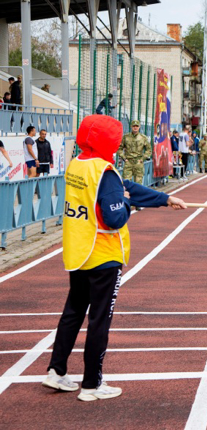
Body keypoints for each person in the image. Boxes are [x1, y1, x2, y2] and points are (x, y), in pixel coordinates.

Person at [42, 114, 187, 401]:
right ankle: (92, 385)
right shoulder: (106, 171)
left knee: (72, 313)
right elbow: (114, 216)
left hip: (79, 251)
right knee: (99, 320)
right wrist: (128, 206)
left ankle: (56, 371)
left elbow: (126, 188)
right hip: (103, 256)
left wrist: (164, 199)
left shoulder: (78, 164)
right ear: (109, 140)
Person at [117, 120, 151, 184]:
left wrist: (142, 159)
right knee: (126, 182)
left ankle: (137, 194)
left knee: (138, 183)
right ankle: (127, 194)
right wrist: (124, 158)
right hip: (128, 162)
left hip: (138, 162)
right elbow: (119, 148)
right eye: (134, 126)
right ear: (131, 127)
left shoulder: (143, 138)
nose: (135, 128)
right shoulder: (126, 137)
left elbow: (148, 150)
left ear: (139, 127)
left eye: (137, 126)